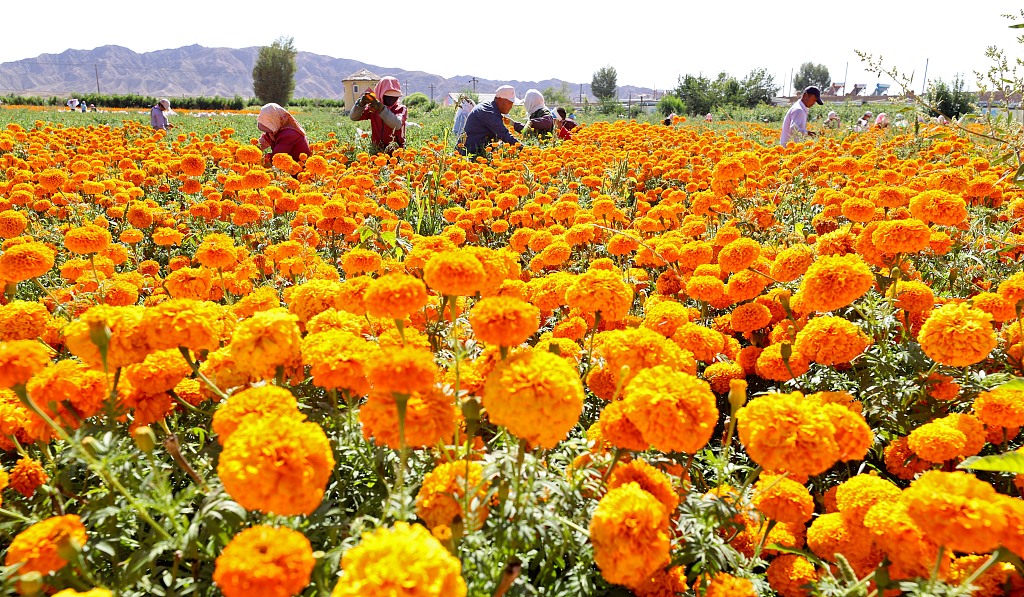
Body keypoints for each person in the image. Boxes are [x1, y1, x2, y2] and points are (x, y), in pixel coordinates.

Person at [350, 76, 407, 154]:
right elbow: (354, 117)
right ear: (380, 93)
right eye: (387, 96)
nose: (391, 99)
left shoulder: (401, 109)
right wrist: (360, 104)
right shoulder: (373, 108)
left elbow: (397, 124)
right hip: (377, 150)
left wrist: (381, 109)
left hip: (397, 151)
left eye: (394, 96)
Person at [461, 85, 522, 156]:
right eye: (509, 103)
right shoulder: (489, 112)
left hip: (477, 151)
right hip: (468, 154)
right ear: (500, 100)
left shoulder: (491, 108)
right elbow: (504, 134)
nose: (511, 106)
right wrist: (524, 149)